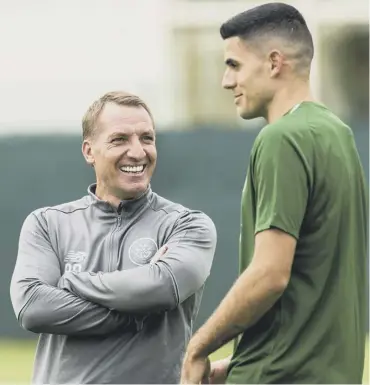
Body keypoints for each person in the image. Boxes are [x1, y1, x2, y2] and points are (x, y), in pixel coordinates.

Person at [180, 3, 368, 384]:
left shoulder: (282, 138)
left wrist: (198, 348)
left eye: (234, 65)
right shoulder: (338, 135)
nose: (226, 81)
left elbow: (270, 275)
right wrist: (235, 367)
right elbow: (312, 285)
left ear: (274, 62)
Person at [10, 91, 217, 384]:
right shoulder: (47, 224)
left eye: (146, 138)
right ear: (89, 151)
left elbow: (161, 289)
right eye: (120, 139)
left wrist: (70, 283)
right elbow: (33, 307)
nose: (137, 151)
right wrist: (136, 313)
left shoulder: (187, 225)